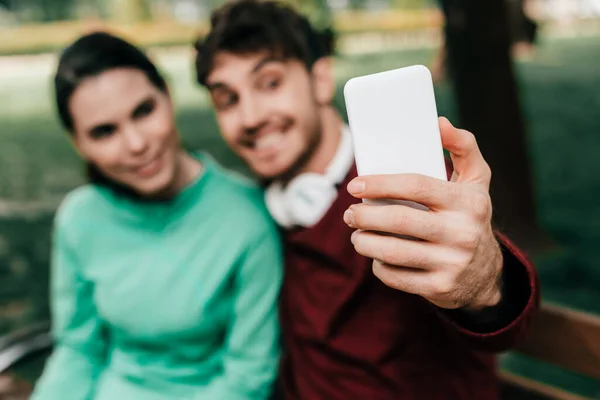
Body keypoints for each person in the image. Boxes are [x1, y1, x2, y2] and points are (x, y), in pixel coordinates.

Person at [194, 1, 540, 399]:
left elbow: (495, 298)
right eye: (227, 100)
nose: (250, 116)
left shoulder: (404, 186)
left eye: (270, 83)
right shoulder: (256, 213)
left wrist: (484, 280)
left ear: (320, 79)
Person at [31, 31, 282, 400]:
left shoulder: (248, 219)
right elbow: (78, 351)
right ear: (78, 144)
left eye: (144, 111)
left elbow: (248, 377)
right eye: (104, 132)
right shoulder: (78, 219)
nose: (136, 144)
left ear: (168, 95)